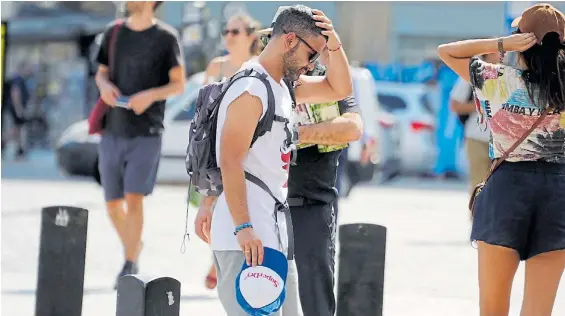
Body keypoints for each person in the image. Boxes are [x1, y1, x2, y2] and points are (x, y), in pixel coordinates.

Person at [194, 5, 352, 315]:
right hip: (247, 239)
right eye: (312, 55)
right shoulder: (252, 88)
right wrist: (244, 228)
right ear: (290, 40)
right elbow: (230, 162)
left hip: (274, 233)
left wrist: (333, 41)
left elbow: (339, 88)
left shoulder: (282, 86)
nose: (313, 65)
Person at [438, 3, 565, 315]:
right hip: (559, 192)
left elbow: (447, 51)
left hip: (507, 188)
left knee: (492, 309)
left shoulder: (496, 78)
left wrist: (501, 44)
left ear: (520, 40)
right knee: (539, 310)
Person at [95, 1, 185, 287]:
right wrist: (105, 86)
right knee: (112, 203)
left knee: (134, 199)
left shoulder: (166, 38)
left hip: (146, 131)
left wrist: (149, 96)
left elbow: (178, 84)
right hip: (112, 129)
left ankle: (130, 261)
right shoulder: (114, 32)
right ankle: (134, 246)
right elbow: (101, 72)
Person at [201, 12, 262, 290]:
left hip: (247, 150)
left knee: (236, 206)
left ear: (251, 36)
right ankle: (219, 259)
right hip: (214, 149)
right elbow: (201, 113)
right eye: (226, 31)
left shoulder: (258, 67)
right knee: (209, 209)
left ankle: (221, 264)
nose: (229, 36)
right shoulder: (217, 66)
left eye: (235, 32)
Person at [449, 52, 498, 196]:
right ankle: (477, 217)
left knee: (499, 185)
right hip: (477, 137)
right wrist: (482, 105)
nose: (504, 55)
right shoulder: (473, 73)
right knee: (479, 184)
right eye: (499, 51)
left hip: (502, 141)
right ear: (487, 54)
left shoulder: (509, 75)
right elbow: (455, 105)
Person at [3, 63, 33, 160]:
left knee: (18, 129)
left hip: (16, 108)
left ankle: (20, 150)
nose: (29, 71)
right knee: (16, 129)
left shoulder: (20, 79)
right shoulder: (18, 79)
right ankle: (3, 143)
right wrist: (18, 109)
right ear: (22, 68)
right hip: (16, 108)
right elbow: (15, 93)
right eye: (27, 68)